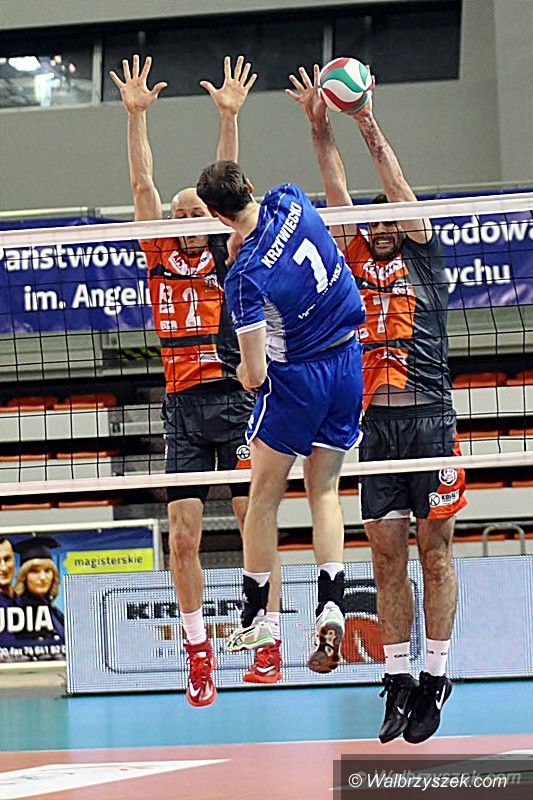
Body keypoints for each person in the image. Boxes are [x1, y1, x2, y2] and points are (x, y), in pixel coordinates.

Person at [287, 65, 466, 743]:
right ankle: (395, 679)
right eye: (375, 218)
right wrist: (318, 128)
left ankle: (436, 676)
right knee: (387, 559)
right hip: (376, 428)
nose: (384, 221)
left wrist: (364, 119)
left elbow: (394, 185)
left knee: (435, 555)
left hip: (430, 421)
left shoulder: (422, 253)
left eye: (390, 214)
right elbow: (336, 191)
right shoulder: (352, 258)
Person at [110, 54, 283, 704]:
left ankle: (265, 638)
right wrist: (136, 117)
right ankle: (198, 653)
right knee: (183, 536)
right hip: (182, 407)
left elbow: (227, 179)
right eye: (178, 211)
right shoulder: (157, 252)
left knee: (250, 517)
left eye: (195, 210)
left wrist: (228, 118)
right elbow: (142, 183)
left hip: (235, 401)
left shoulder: (226, 253)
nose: (185, 217)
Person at [196, 161, 365, 671]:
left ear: (214, 215)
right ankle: (331, 602)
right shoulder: (290, 199)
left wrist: (242, 366)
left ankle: (258, 617)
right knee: (325, 490)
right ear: (249, 185)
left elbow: (253, 374)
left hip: (298, 380)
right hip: (348, 361)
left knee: (264, 496)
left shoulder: (244, 279)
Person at [13, 536, 65, 646]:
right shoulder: (18, 611)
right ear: (24, 576)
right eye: (35, 571)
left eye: (47, 571)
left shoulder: (54, 610)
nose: (42, 577)